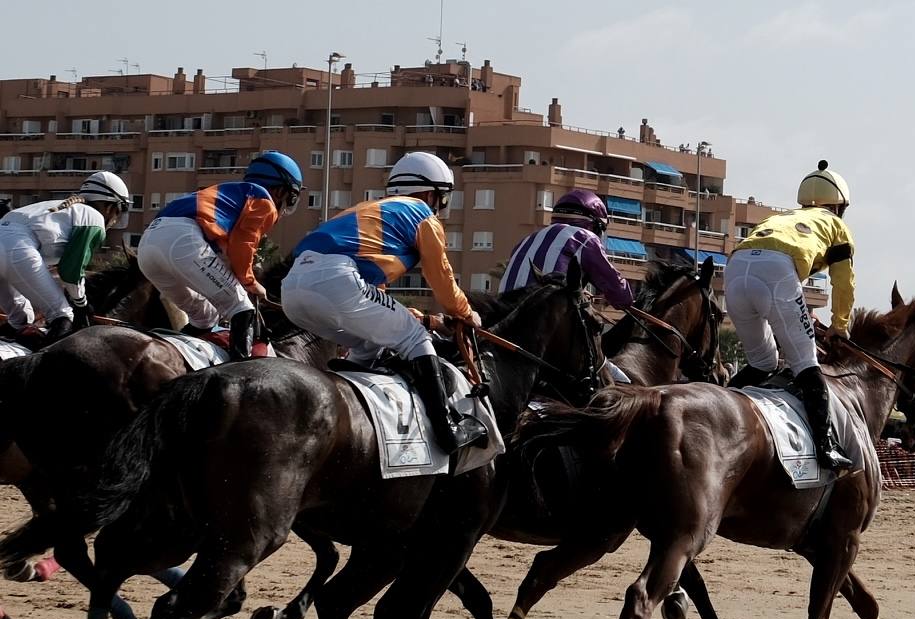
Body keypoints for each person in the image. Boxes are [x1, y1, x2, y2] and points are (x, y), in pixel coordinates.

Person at [282, 151, 483, 453]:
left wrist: (412, 314)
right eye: (442, 198)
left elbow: (375, 294)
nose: (440, 206)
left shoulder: (370, 210)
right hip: (336, 281)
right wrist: (465, 313)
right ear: (431, 194)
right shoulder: (421, 213)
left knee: (370, 343)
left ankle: (346, 413)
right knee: (416, 339)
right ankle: (447, 430)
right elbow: (440, 276)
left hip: (293, 290)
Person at [726, 161, 856, 470]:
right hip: (776, 271)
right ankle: (826, 448)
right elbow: (844, 282)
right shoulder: (837, 226)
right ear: (839, 206)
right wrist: (840, 326)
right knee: (806, 363)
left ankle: (718, 405)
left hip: (734, 268)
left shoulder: (781, 217)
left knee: (762, 362)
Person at [137, 151, 304, 360]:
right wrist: (250, 283)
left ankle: (173, 361)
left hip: (148, 247)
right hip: (181, 241)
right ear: (280, 191)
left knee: (205, 317)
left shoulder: (234, 195)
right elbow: (243, 245)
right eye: (291, 197)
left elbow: (224, 250)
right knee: (242, 307)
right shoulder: (264, 201)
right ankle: (238, 372)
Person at [0, 171, 131, 342]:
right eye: (119, 212)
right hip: (16, 248)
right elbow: (70, 271)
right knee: (62, 315)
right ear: (111, 207)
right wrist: (81, 304)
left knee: (21, 320)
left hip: (11, 242)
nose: (115, 220)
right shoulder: (94, 218)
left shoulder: (59, 208)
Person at [498, 189, 632, 310]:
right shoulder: (585, 238)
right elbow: (621, 296)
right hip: (541, 318)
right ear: (595, 225)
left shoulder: (528, 239)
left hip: (501, 314)